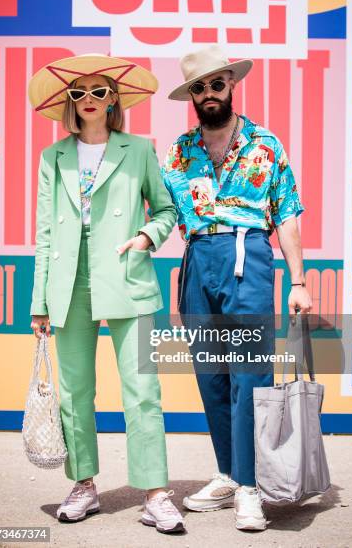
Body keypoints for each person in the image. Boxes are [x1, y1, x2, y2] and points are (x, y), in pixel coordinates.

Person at [28, 53, 184, 534]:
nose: (90, 99)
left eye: (99, 91)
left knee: (142, 390)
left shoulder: (138, 149)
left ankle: (156, 493)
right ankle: (83, 485)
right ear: (69, 103)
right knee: (76, 392)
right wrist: (40, 302)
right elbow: (46, 232)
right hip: (67, 280)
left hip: (127, 275)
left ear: (113, 98)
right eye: (79, 92)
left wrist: (146, 238)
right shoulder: (51, 157)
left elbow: (164, 210)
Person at [162, 45, 312, 532]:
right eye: (199, 87)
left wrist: (299, 281)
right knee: (211, 377)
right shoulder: (179, 152)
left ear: (231, 85)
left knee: (250, 375)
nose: (209, 93)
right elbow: (163, 214)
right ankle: (227, 473)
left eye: (216, 84)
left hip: (249, 257)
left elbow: (286, 213)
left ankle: (251, 488)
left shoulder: (265, 145)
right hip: (198, 261)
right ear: (192, 95)